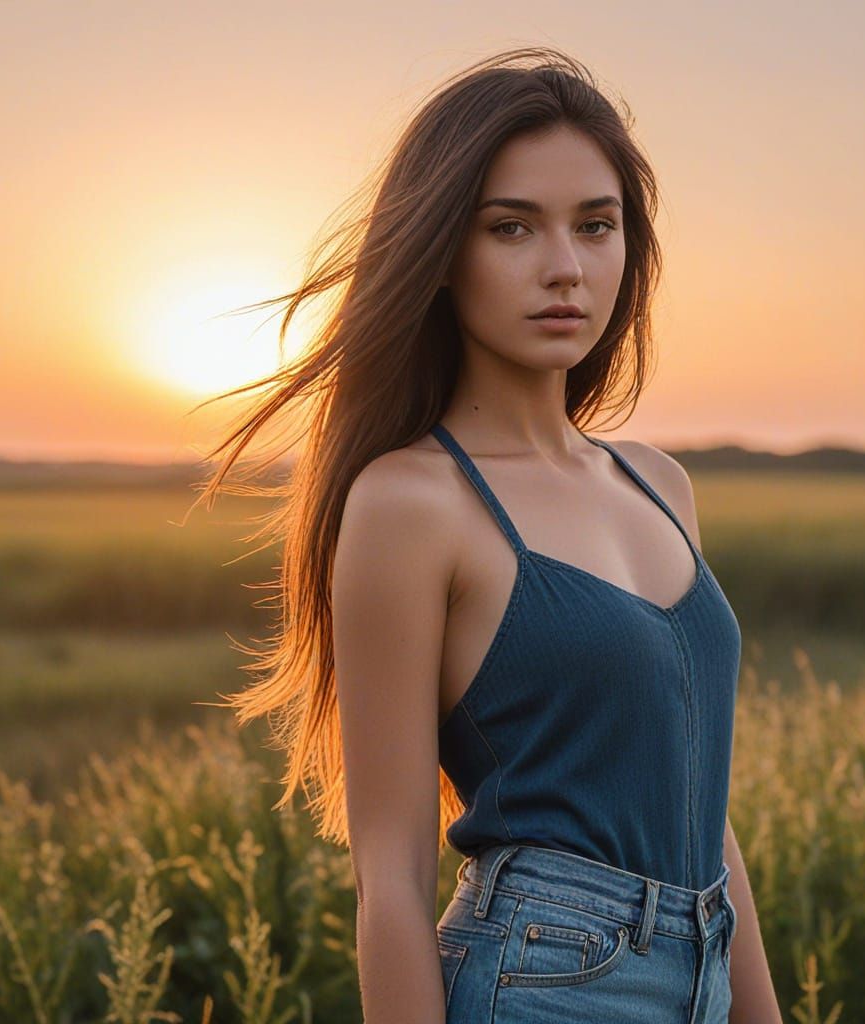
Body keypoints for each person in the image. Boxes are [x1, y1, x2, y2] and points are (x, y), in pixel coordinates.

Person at [197, 46, 782, 1024]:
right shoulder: (411, 503)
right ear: (440, 253)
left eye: (596, 226)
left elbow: (701, 813)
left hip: (703, 965)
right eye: (512, 228)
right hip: (543, 981)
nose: (565, 267)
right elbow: (388, 875)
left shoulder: (659, 484)